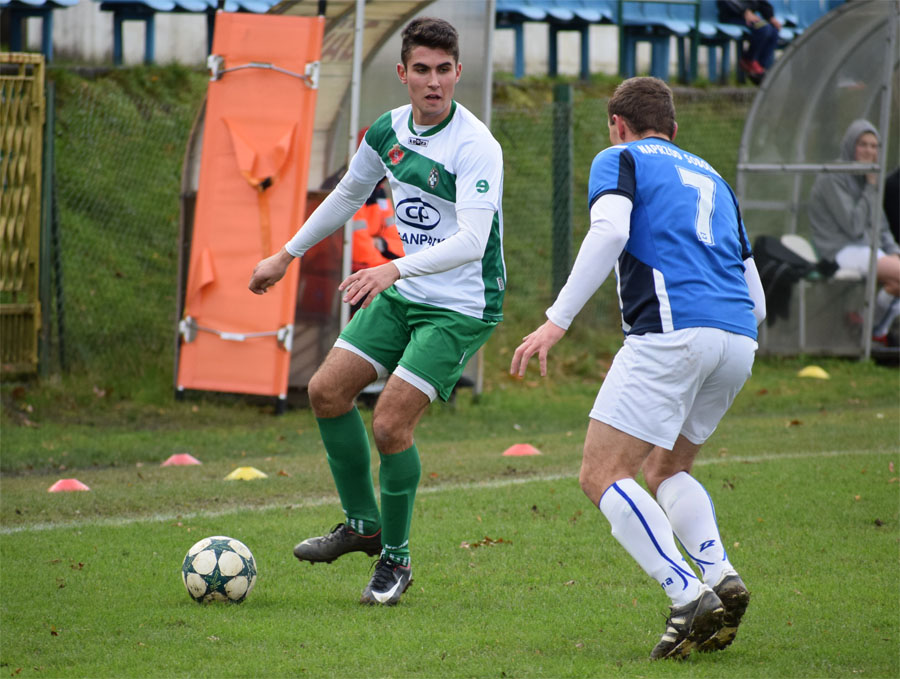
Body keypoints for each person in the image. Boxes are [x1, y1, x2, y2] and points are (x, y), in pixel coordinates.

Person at [248, 16, 505, 606]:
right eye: (423, 70)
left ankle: (397, 559)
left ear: (458, 72)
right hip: (408, 290)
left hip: (462, 304)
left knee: (390, 424)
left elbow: (472, 241)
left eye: (445, 70)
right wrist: (285, 255)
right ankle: (364, 527)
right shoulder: (386, 131)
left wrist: (393, 269)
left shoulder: (476, 145)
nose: (434, 82)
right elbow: (347, 193)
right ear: (402, 73)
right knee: (326, 392)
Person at [510, 77, 766, 660]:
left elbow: (611, 230)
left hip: (672, 334)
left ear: (618, 124)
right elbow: (756, 298)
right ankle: (720, 575)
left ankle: (687, 594)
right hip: (738, 337)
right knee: (667, 467)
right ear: (674, 130)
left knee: (602, 473)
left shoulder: (620, 157)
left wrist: (556, 320)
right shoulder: (714, 178)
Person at [808, 120, 900, 341]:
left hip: (867, 249)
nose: (869, 151)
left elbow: (881, 226)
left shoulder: (867, 176)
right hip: (839, 250)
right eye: (863, 144)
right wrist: (870, 187)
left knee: (895, 283)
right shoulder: (833, 176)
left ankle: (868, 328)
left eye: (874, 146)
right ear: (850, 145)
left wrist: (894, 252)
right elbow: (854, 227)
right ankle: (869, 330)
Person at [717, 0, 782, 84]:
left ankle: (760, 67)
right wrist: (744, 11)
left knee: (774, 30)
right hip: (732, 16)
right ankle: (749, 60)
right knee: (763, 28)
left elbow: (761, 2)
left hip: (749, 16)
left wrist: (770, 16)